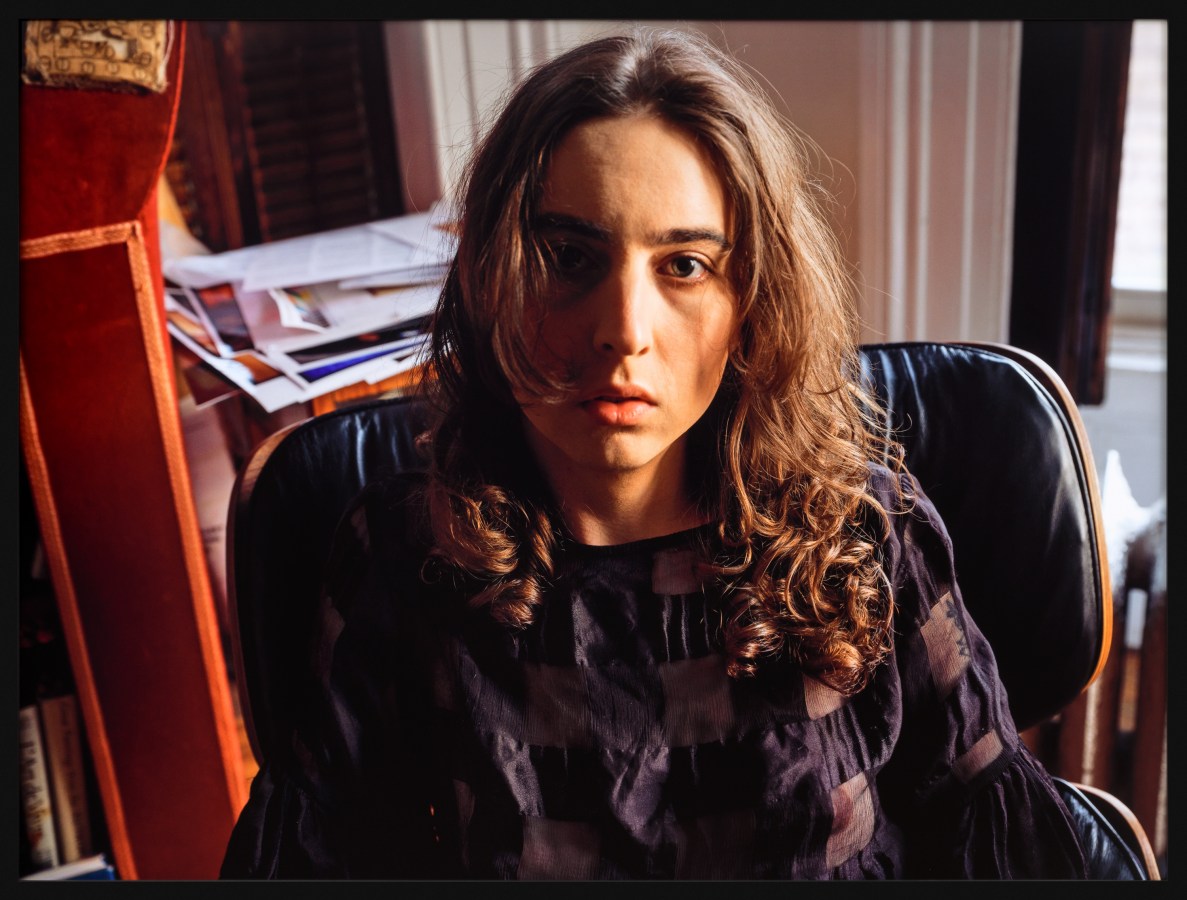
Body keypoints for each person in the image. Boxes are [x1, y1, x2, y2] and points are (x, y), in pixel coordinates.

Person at [220, 26, 1089, 879]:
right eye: (568, 256)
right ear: (492, 279)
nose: (623, 331)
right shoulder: (405, 556)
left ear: (752, 300)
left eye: (683, 266)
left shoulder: (864, 528)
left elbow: (992, 835)